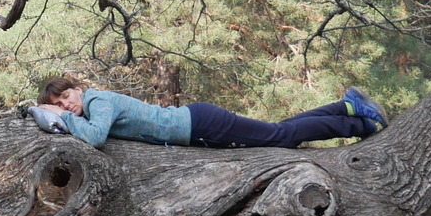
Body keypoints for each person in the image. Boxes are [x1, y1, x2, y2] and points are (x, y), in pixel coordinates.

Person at [32, 76, 386, 149]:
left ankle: (359, 123)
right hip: (198, 122)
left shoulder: (97, 102)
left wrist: (64, 119)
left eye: (66, 98)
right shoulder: (92, 103)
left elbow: (95, 138)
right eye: (60, 105)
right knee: (279, 131)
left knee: (281, 138)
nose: (67, 106)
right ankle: (347, 106)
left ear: (76, 88)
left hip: (202, 124)